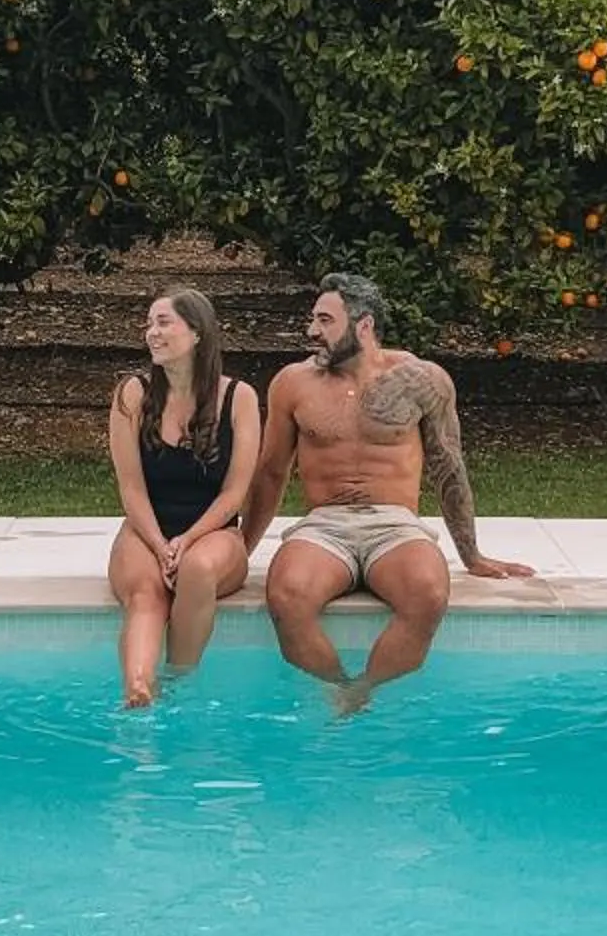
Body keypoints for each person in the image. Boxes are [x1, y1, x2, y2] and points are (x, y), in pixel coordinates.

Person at [241, 272, 534, 711]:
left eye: (325, 320)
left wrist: (471, 555)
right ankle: (339, 687)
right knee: (287, 597)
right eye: (314, 319)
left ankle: (361, 692)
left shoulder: (422, 380)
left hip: (395, 525)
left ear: (364, 326)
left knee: (428, 594)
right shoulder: (292, 383)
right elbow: (270, 473)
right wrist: (242, 551)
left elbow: (448, 466)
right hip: (324, 525)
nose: (312, 331)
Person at [107, 289, 261, 707]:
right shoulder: (132, 394)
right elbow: (131, 488)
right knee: (146, 593)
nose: (151, 333)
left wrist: (187, 540)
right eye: (149, 324)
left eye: (163, 323)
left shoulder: (239, 398)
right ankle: (138, 689)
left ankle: (177, 684)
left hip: (214, 532)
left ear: (197, 333)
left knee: (197, 568)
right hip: (147, 529)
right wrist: (160, 545)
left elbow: (234, 495)